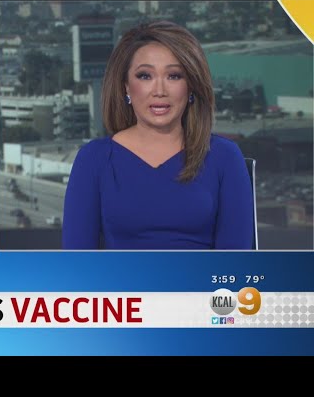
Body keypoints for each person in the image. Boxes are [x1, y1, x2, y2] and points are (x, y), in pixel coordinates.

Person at [62, 21, 253, 250]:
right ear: (126, 86)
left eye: (174, 76)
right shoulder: (94, 159)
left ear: (191, 87)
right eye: (145, 76)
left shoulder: (224, 156)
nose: (159, 91)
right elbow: (77, 263)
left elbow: (236, 264)